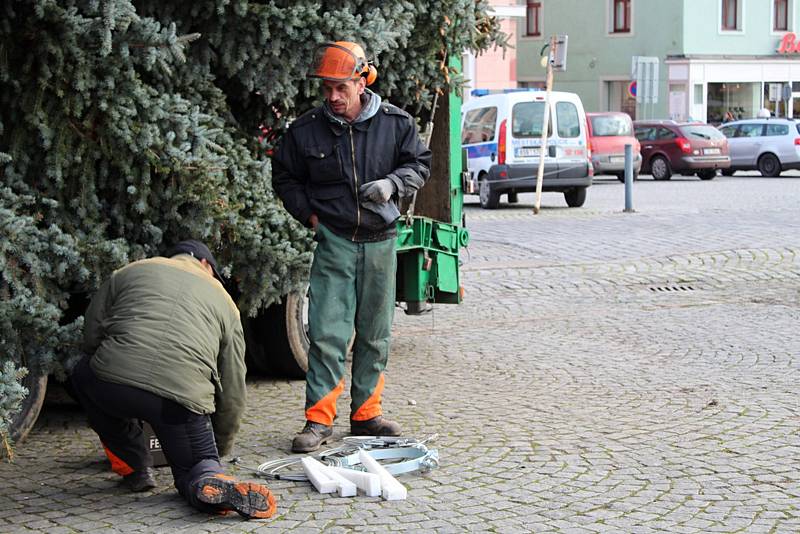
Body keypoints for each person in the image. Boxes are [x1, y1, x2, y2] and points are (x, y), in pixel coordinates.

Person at [272, 41, 432, 453]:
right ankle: (319, 420)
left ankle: (365, 415)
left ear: (363, 81)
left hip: (381, 242)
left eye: (341, 87)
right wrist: (310, 216)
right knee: (327, 332)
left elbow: (420, 164)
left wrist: (393, 184)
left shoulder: (396, 124)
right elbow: (285, 178)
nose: (332, 96)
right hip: (335, 241)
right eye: (326, 88)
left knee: (376, 334)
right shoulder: (306, 130)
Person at [70, 240, 276, 519]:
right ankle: (207, 477)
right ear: (206, 265)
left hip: (112, 382)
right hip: (180, 400)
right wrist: (218, 447)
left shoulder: (131, 271)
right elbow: (233, 385)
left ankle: (135, 467)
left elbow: (91, 336)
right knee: (196, 470)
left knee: (84, 373)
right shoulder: (225, 302)